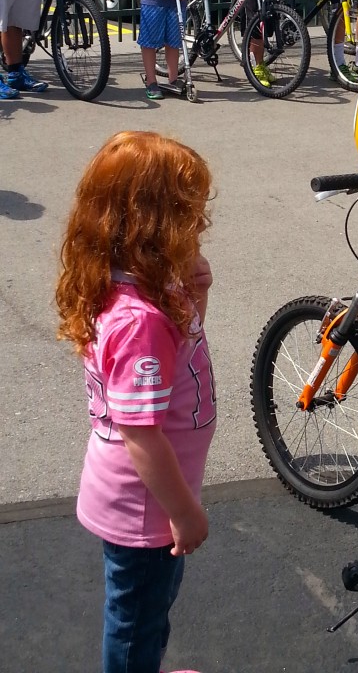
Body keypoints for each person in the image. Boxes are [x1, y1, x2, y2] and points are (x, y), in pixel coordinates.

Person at [55, 130, 216, 673]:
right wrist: (184, 513)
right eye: (187, 213)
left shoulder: (141, 291)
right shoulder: (140, 320)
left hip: (148, 503)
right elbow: (140, 434)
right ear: (153, 225)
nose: (198, 224)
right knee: (136, 621)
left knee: (147, 612)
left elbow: (181, 359)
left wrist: (197, 296)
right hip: (147, 508)